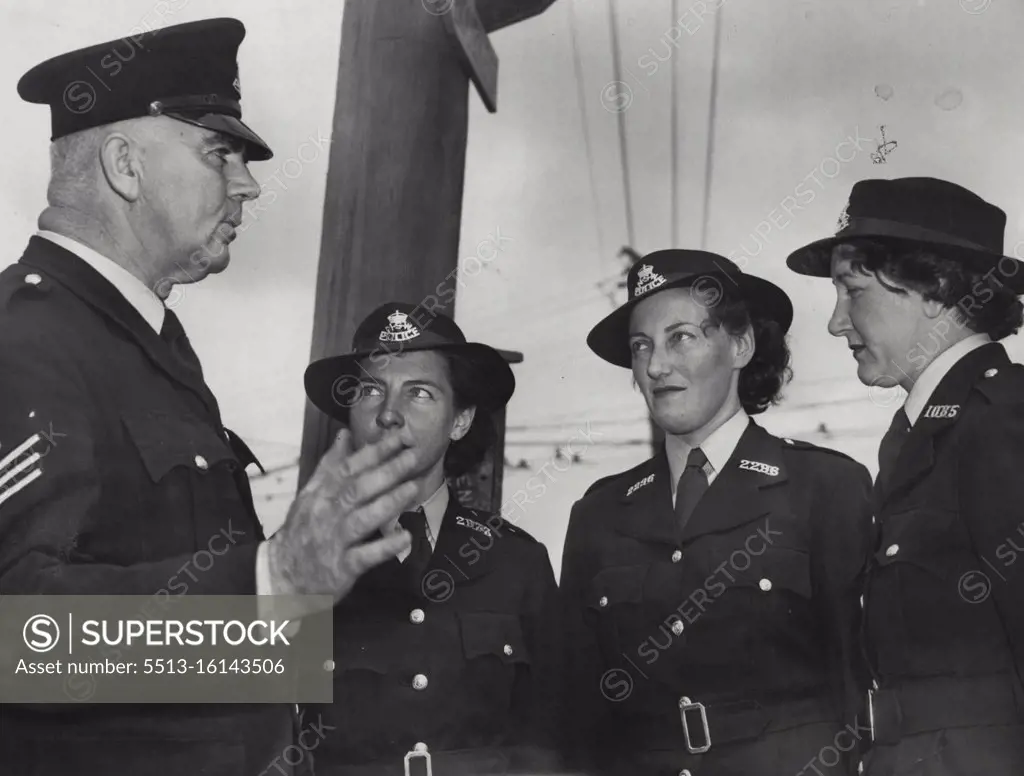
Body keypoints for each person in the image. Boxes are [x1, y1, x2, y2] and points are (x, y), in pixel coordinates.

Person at [0, 19, 420, 776]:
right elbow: (20, 637)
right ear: (125, 165)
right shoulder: (26, 341)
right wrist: (273, 586)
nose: (250, 183)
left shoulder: (146, 340)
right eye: (217, 153)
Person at [560, 250, 873, 776]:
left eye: (681, 337)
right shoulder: (599, 512)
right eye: (642, 347)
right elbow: (577, 714)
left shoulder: (825, 487)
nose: (656, 366)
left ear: (741, 345)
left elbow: (856, 684)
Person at [787, 176, 1024, 776]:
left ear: (937, 292)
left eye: (854, 291)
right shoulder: (921, 433)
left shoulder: (1002, 422)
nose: (836, 322)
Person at [301, 302, 562, 776]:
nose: (389, 415)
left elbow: (553, 738)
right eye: (371, 391)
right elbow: (261, 736)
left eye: (419, 393)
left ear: (460, 421)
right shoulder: (300, 556)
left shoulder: (517, 562)